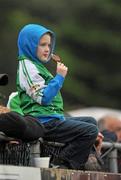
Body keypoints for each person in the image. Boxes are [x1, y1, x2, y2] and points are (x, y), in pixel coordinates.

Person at [8, 24, 98, 170]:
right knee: (90, 131)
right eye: (42, 44)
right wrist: (60, 78)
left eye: (49, 45)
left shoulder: (36, 65)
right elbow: (43, 98)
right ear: (29, 45)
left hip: (53, 118)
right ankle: (62, 164)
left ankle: (83, 159)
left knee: (91, 122)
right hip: (43, 121)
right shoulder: (27, 66)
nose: (47, 49)